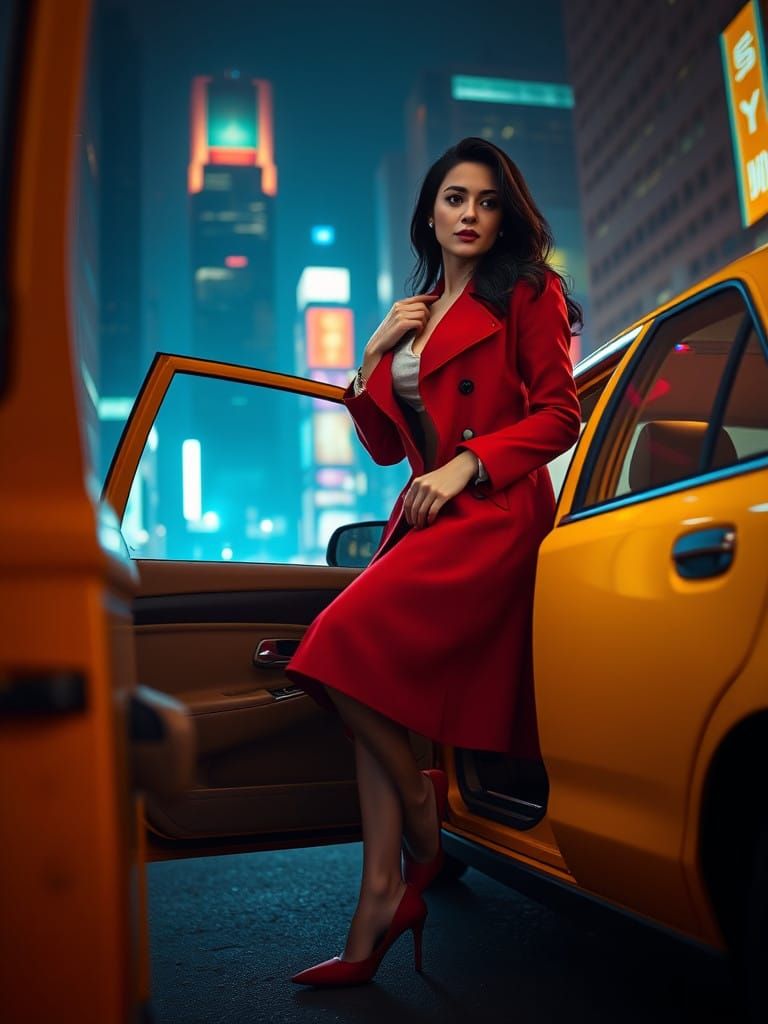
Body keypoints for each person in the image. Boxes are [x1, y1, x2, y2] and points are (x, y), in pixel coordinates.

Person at [286, 136, 583, 987]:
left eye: (488, 202)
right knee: (363, 671)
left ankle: (424, 809)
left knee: (339, 646)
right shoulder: (412, 310)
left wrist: (466, 463)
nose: (470, 214)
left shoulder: (530, 293)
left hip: (489, 513)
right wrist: (370, 356)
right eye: (456, 198)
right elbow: (385, 445)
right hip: (423, 515)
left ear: (505, 217)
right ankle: (380, 898)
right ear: (430, 210)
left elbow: (559, 416)